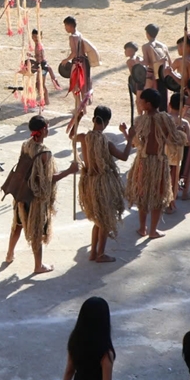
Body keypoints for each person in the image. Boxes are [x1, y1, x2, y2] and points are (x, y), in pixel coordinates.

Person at [3, 114, 76, 274]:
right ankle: (38, 265)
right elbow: (48, 180)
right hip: (35, 198)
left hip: (21, 194)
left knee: (18, 224)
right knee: (36, 230)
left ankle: (10, 254)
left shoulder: (25, 145)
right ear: (43, 130)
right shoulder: (45, 153)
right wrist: (70, 171)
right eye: (47, 128)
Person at [74, 104, 129, 263]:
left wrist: (77, 119)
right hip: (102, 183)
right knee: (104, 219)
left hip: (89, 182)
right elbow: (124, 156)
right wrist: (129, 136)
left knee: (98, 219)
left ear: (93, 119)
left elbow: (72, 136)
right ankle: (100, 254)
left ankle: (93, 253)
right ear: (106, 122)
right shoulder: (107, 143)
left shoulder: (84, 137)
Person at [124, 89, 173, 239]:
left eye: (141, 101)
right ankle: (152, 231)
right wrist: (182, 130)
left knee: (143, 195)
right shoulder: (166, 119)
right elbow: (176, 139)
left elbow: (134, 144)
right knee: (157, 197)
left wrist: (127, 133)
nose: (139, 103)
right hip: (158, 162)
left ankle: (142, 228)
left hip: (144, 162)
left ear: (148, 105)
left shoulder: (140, 121)